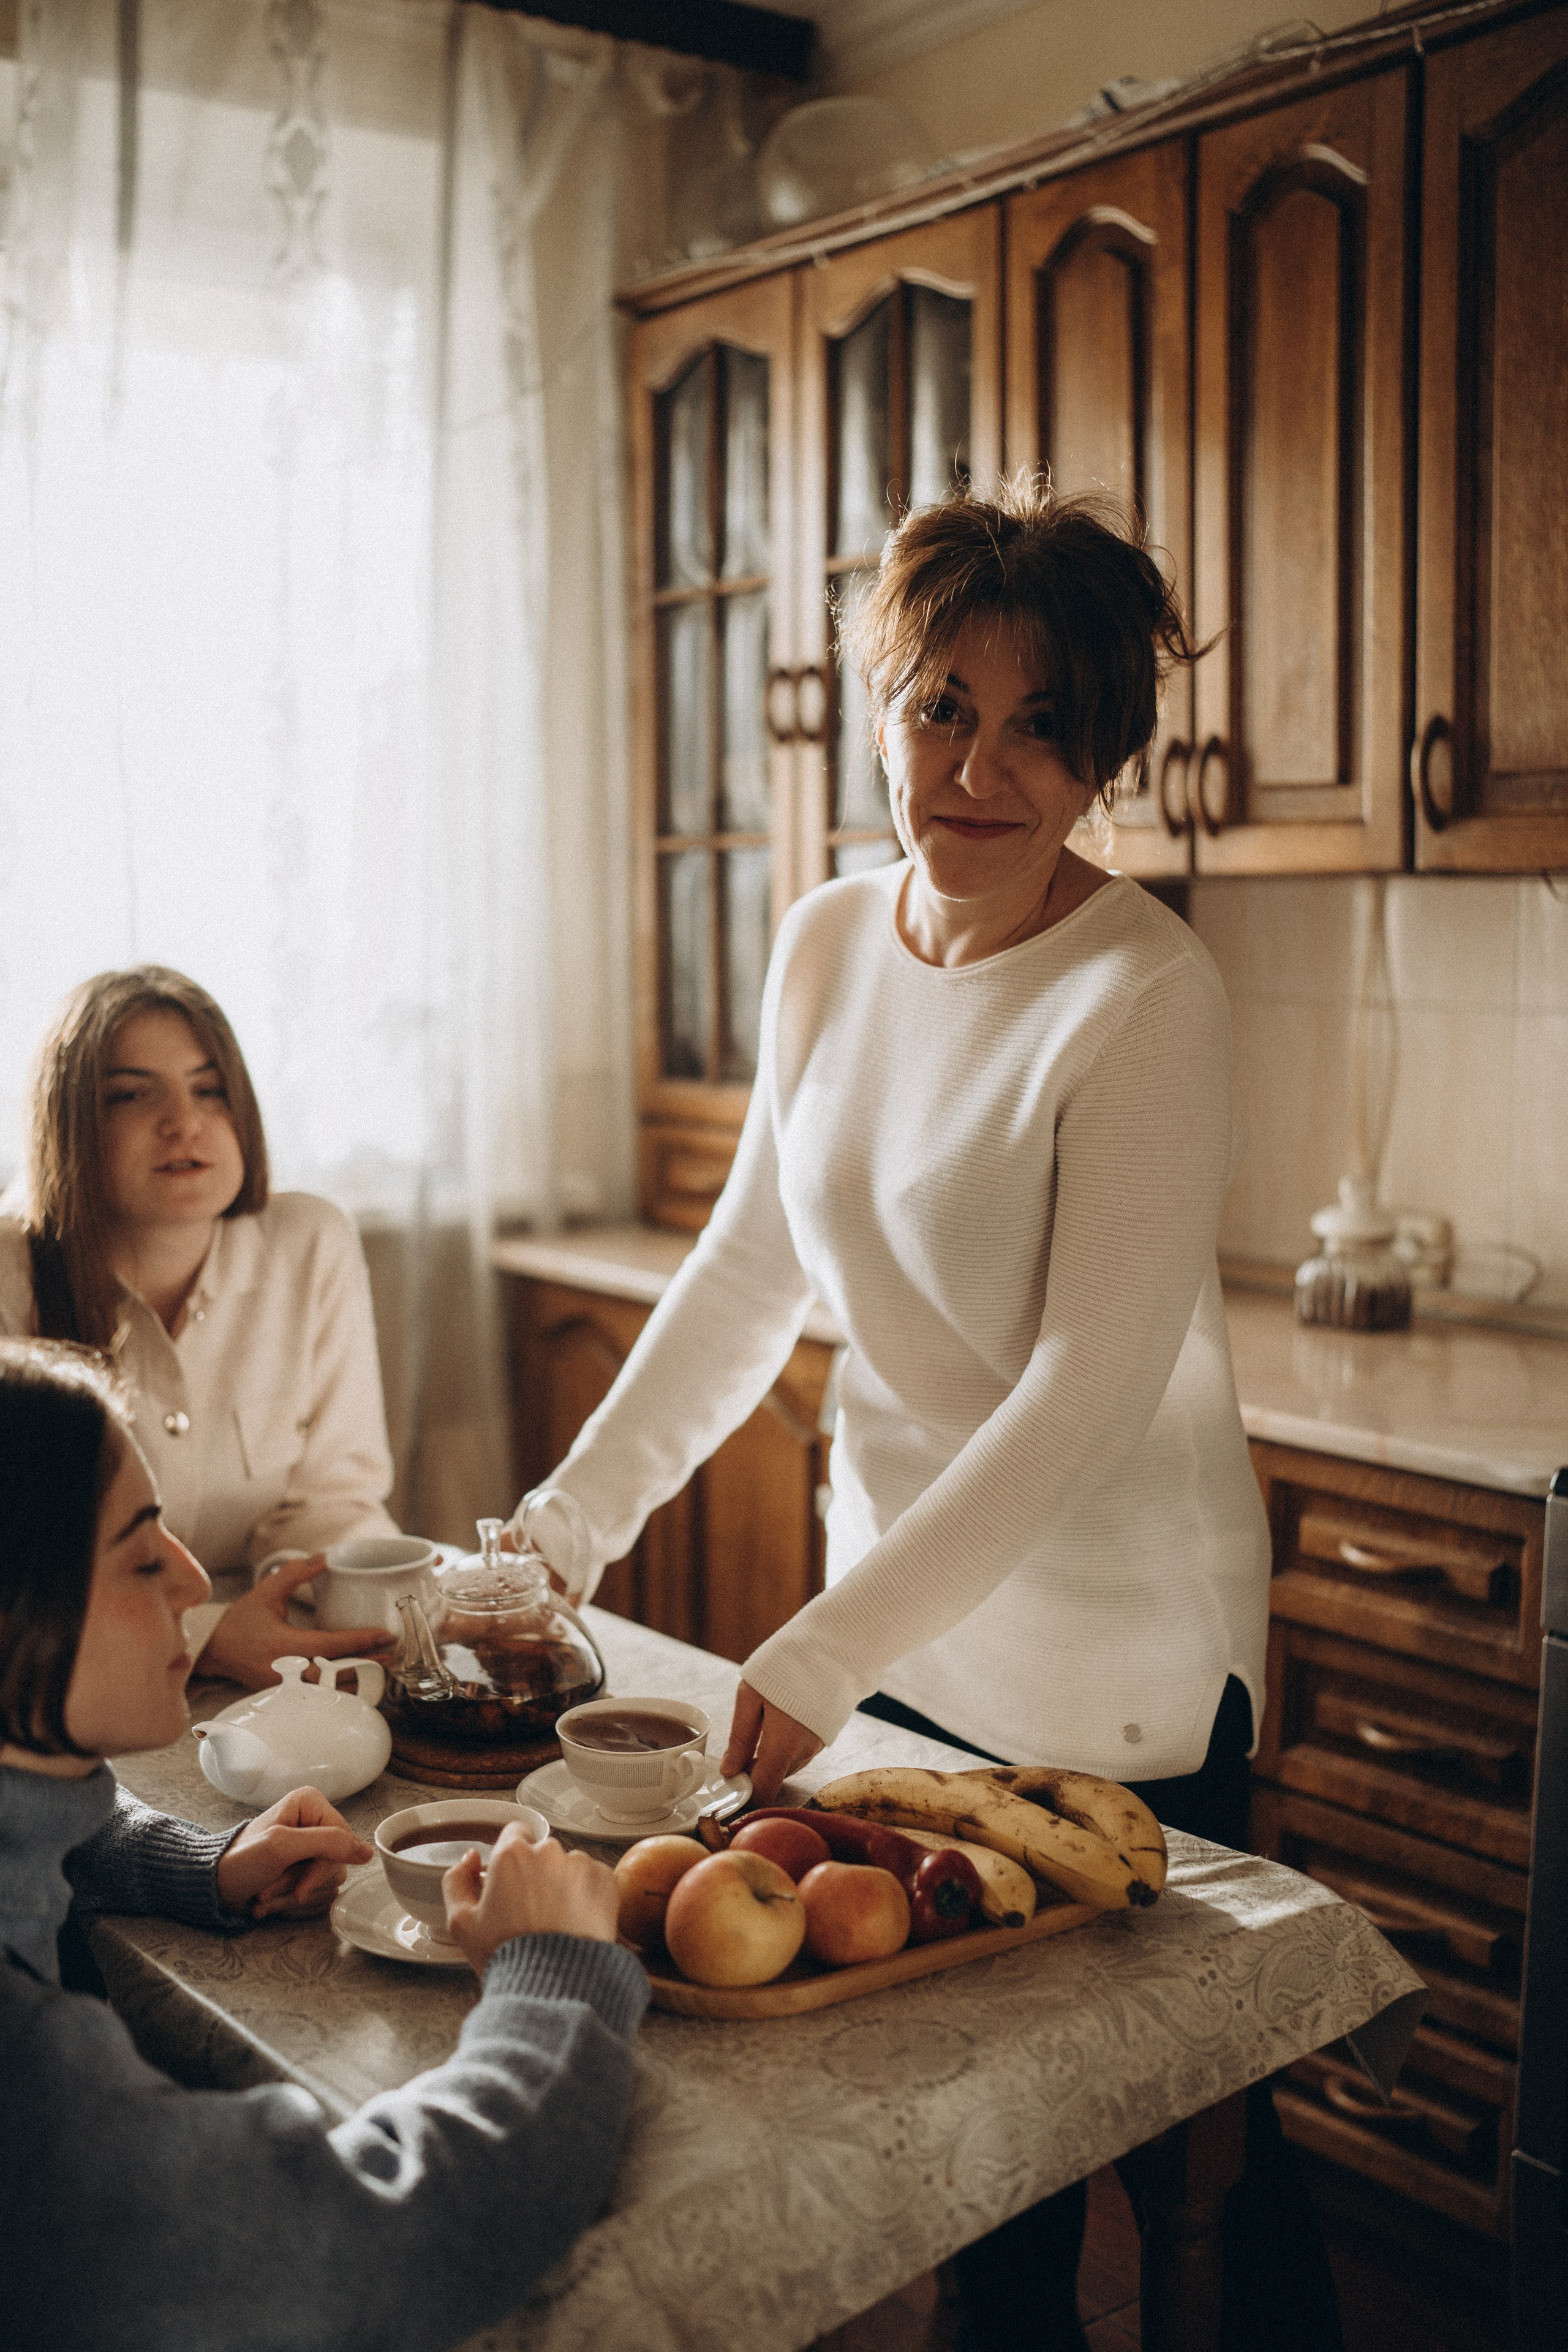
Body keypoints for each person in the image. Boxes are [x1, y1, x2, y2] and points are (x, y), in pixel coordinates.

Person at [505, 484, 1340, 2348]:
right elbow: (744, 1279)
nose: (979, 765)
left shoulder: (1144, 992)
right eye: (941, 705)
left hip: (1120, 1648)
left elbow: (1080, 1398)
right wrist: (553, 1532)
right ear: (875, 710)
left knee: (1182, 2145)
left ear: (1103, 752)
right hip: (899, 1631)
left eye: (1042, 721)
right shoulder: (821, 944)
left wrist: (817, 1639)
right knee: (977, 2151)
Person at [0, 1338, 644, 2352]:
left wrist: (189, 1860)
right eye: (137, 1554)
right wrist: (556, 1978)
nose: (188, 1579)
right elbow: (389, 2239)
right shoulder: (29, 2083)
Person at [0, 965, 400, 1687]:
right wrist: (208, 1635)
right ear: (66, 1123)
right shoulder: (10, 1273)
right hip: (69, 1682)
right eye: (129, 1094)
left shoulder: (311, 1240)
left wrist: (321, 1610)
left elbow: (334, 1500)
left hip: (274, 1663)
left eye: (209, 1088)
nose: (184, 1121)